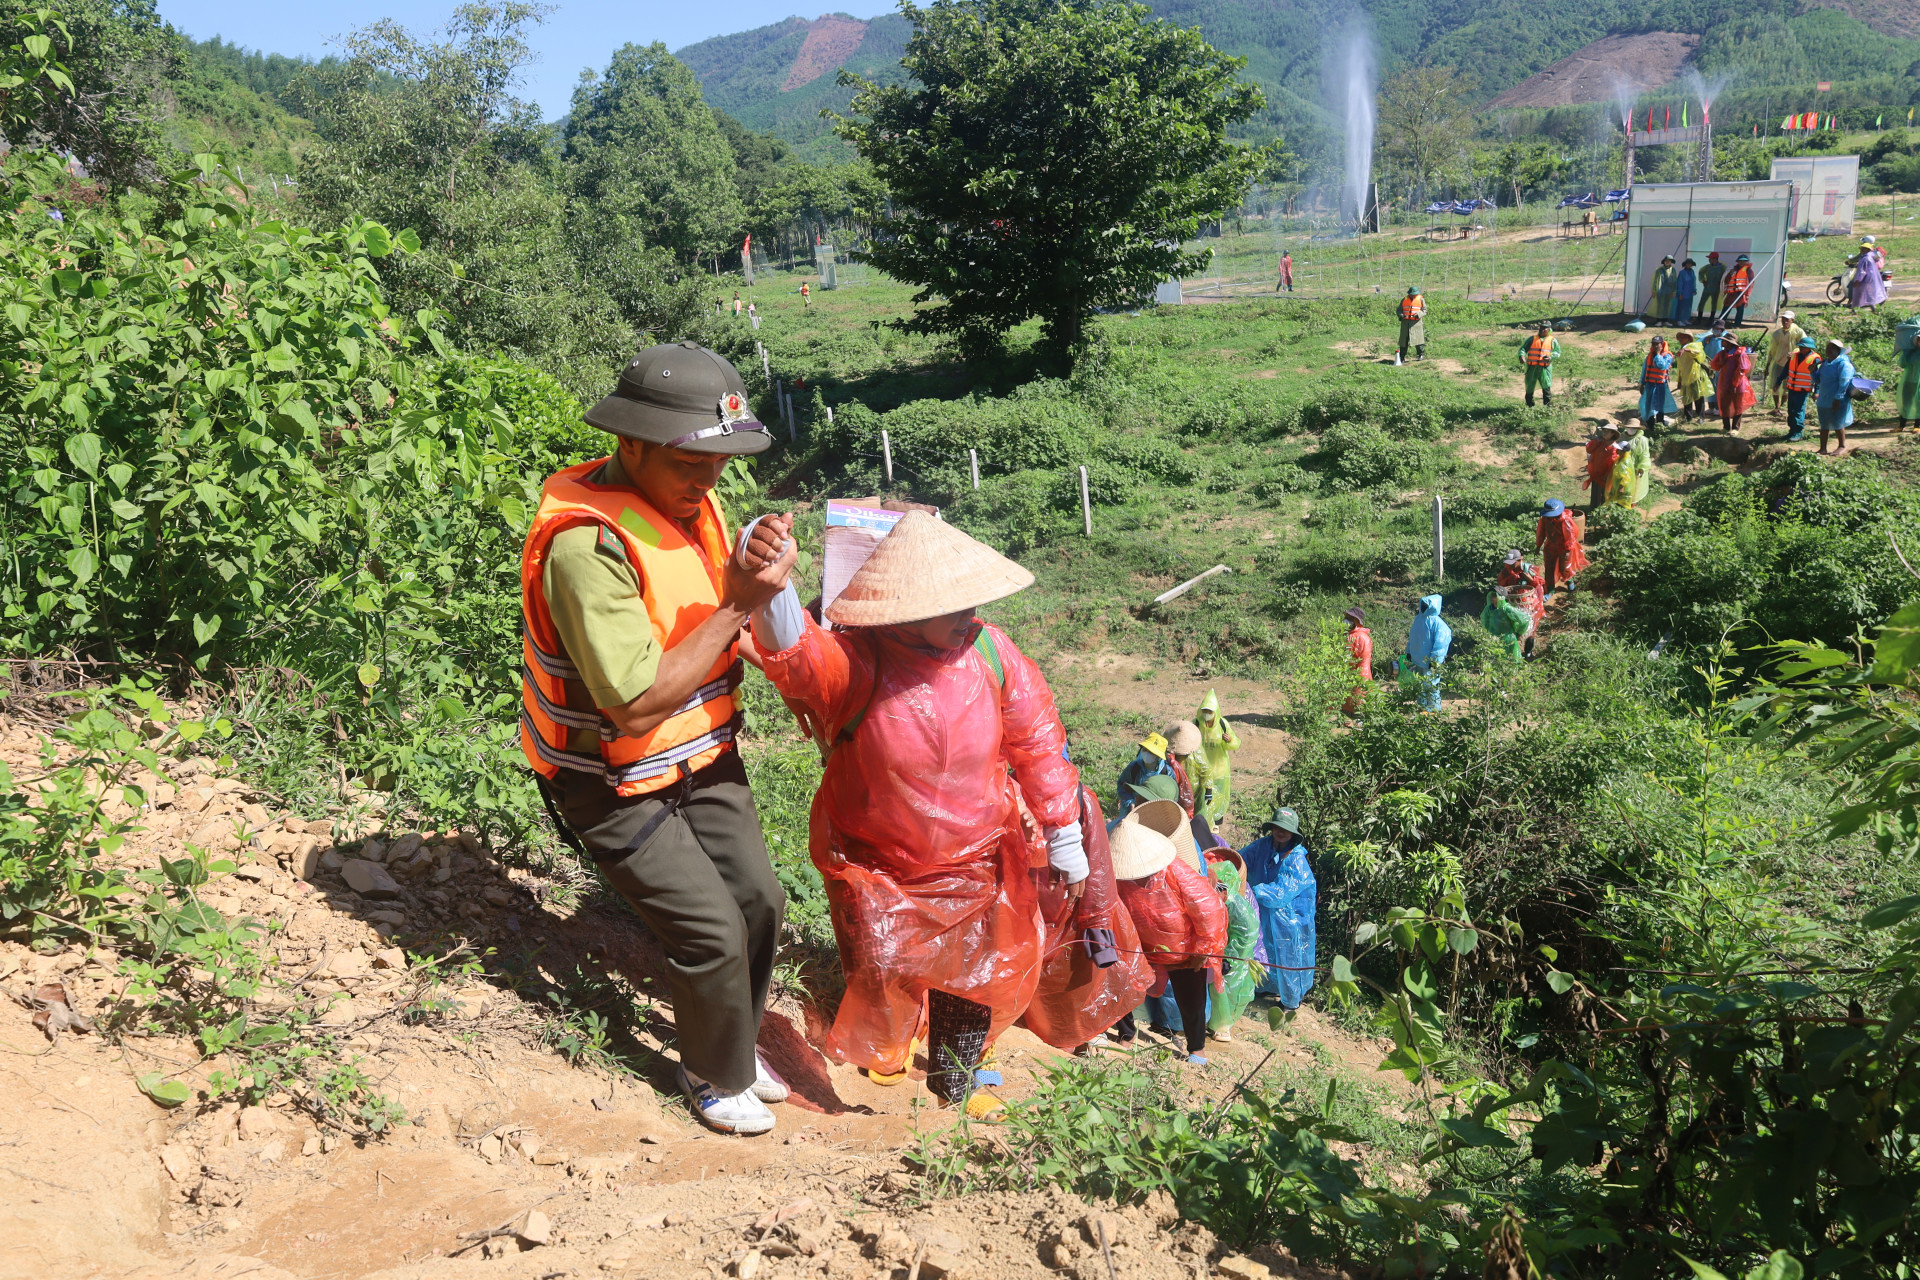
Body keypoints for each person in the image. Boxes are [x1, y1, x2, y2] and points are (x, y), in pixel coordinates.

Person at [519, 341, 792, 1136]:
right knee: (708, 928)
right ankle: (711, 1073)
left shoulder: (688, 502)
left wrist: (758, 582)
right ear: (629, 443)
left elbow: (703, 614)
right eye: (689, 462)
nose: (708, 480)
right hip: (608, 775)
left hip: (699, 753)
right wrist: (739, 604)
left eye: (719, 463)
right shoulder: (586, 547)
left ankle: (732, 1045)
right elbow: (633, 703)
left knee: (760, 902)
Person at [754, 510, 1085, 1119]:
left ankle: (958, 1079)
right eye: (951, 607)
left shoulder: (991, 650)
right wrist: (771, 585)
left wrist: (1064, 831)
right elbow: (798, 658)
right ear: (904, 610)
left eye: (970, 604)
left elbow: (1037, 741)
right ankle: (891, 1042)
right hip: (879, 855)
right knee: (885, 959)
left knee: (972, 970)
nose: (968, 616)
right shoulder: (856, 663)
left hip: (977, 850)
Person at [1020, 780, 1155, 1059]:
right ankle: (1037, 1039)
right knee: (1033, 984)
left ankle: (1075, 1041)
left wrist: (1097, 919)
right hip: (1027, 909)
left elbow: (1098, 861)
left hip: (1072, 909)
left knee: (1072, 985)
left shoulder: (1081, 799)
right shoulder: (1009, 788)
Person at [1110, 820, 1227, 1066]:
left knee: (1191, 997)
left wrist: (1203, 950)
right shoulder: (1120, 877)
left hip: (1185, 949)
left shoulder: (1175, 871)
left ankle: (1197, 1049)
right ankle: (1127, 1035)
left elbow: (1208, 909)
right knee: (1124, 984)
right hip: (1142, 947)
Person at [1239, 807, 1315, 1009]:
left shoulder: (1296, 859)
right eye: (1277, 827)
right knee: (1265, 949)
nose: (1281, 832)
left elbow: (1280, 894)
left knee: (1288, 957)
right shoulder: (1263, 846)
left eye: (1286, 829)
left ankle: (1291, 1000)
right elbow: (1240, 860)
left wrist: (1252, 890)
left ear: (1293, 833)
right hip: (1265, 913)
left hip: (1290, 920)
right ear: (1272, 827)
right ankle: (1267, 986)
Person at [1205, 852, 1261, 1042]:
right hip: (1222, 946)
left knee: (1226, 983)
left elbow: (1248, 932)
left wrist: (1227, 958)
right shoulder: (1219, 899)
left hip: (1233, 951)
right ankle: (1211, 1021)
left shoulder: (1236, 905)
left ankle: (1221, 1025)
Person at [1194, 691, 1239, 824]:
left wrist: (1229, 740)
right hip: (1200, 770)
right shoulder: (1196, 723)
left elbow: (1235, 743)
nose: (1206, 714)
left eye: (1210, 711)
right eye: (1204, 711)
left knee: (1218, 797)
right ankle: (1203, 823)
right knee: (1201, 797)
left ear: (1215, 712)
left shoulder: (1222, 724)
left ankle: (1216, 822)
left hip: (1218, 770)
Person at [1403, 595, 1451, 712]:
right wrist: (1409, 652)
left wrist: (1435, 661)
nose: (1423, 607)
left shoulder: (1439, 625)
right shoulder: (1419, 619)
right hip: (1417, 658)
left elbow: (1441, 645)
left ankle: (1433, 709)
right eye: (1422, 605)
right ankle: (1422, 706)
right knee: (1420, 684)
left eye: (1426, 605)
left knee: (1431, 685)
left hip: (1429, 661)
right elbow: (1413, 637)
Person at [1535, 499, 1589, 594]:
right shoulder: (1544, 519)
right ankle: (1550, 590)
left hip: (1564, 547)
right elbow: (1541, 532)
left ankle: (1570, 582)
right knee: (1549, 568)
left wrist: (1567, 551)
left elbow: (1570, 538)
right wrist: (1538, 545)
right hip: (1550, 546)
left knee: (1564, 568)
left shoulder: (1565, 520)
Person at [1496, 550, 1544, 655]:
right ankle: (1513, 652)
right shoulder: (1505, 573)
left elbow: (1539, 586)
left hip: (1529, 603)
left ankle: (1528, 652)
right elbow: (1499, 588)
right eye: (1509, 562)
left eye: (1513, 562)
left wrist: (1530, 579)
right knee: (1513, 628)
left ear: (1520, 560)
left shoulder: (1530, 569)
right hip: (1513, 604)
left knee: (1531, 627)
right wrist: (1504, 591)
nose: (1510, 565)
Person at [1814, 338, 1856, 455]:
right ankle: (1823, 448)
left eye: (1832, 348)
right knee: (1824, 424)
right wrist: (1812, 372)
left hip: (1838, 399)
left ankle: (1841, 446)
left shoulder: (1843, 364)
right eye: (1828, 348)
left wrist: (1838, 398)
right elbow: (1818, 380)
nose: (1829, 350)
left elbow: (1844, 382)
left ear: (1838, 351)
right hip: (1824, 398)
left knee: (1838, 423)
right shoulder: (1825, 364)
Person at [1115, 733, 1172, 817]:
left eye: (1151, 752)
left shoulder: (1166, 772)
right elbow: (1121, 785)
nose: (1147, 753)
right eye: (1145, 749)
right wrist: (1130, 802)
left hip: (1155, 813)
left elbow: (1171, 795)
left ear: (1158, 756)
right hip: (1131, 811)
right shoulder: (1134, 767)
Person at [1710, 336, 1757, 435]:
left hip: (1739, 384)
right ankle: (1726, 427)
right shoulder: (1722, 353)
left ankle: (1735, 428)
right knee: (1724, 405)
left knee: (1737, 405)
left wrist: (1735, 383)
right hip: (1724, 382)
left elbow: (1742, 369)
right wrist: (1720, 362)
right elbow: (1714, 365)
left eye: (1724, 341)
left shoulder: (1740, 354)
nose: (1722, 342)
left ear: (1729, 343)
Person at [1765, 311, 1807, 414]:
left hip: (1791, 363)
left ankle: (1782, 406)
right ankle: (1776, 407)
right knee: (1775, 384)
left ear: (1792, 320)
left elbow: (1805, 345)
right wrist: (1768, 365)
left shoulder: (1798, 332)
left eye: (1787, 320)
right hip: (1778, 362)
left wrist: (1795, 352)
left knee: (1787, 387)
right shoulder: (1777, 333)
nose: (1784, 321)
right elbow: (1772, 350)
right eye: (1783, 319)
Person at [1782, 334, 1821, 443]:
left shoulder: (1815, 359)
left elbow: (1818, 377)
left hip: (1803, 390)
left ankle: (1798, 432)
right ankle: (1791, 431)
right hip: (1792, 388)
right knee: (1791, 410)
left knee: (1799, 411)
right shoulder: (1794, 356)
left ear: (1809, 348)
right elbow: (1786, 369)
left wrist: (1817, 391)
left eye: (1803, 347)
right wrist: (1778, 381)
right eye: (1800, 346)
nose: (1801, 348)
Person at [1480, 586, 1532, 662]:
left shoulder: (1507, 609)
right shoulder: (1489, 609)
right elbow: (1484, 621)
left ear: (1501, 597)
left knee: (1512, 661)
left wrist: (1519, 633)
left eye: (1495, 595)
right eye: (1491, 594)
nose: (1492, 596)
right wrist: (1488, 634)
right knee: (1496, 662)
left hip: (1508, 640)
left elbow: (1524, 620)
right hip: (1494, 640)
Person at [1608, 420, 1652, 509]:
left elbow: (1645, 455)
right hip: (1622, 467)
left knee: (1634, 489)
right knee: (1621, 486)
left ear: (1637, 429)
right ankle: (1619, 504)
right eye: (1629, 427)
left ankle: (1630, 506)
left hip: (1635, 469)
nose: (1630, 429)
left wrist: (1641, 468)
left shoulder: (1642, 440)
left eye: (1633, 428)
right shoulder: (1622, 437)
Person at [1163, 720, 1202, 815]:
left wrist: (1208, 788)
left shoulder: (1196, 755)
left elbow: (1205, 771)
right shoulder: (1169, 759)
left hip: (1192, 788)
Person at [1582, 423, 1621, 515]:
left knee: (1604, 494)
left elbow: (1613, 464)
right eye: (1603, 431)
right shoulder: (1600, 442)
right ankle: (1593, 510)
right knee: (1595, 492)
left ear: (1613, 433)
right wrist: (1596, 441)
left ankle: (1603, 513)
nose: (1604, 433)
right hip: (1596, 474)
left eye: (1607, 431)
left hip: (1606, 476)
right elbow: (1589, 450)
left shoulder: (1615, 447)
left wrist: (1607, 475)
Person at [1639, 335, 1678, 426]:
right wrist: (1642, 383)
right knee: (1648, 404)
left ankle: (1660, 423)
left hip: (1660, 385)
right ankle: (1650, 424)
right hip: (1649, 384)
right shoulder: (1649, 355)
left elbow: (1662, 366)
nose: (1656, 346)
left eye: (1657, 344)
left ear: (1662, 344)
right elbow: (1645, 370)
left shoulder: (1667, 355)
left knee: (1659, 405)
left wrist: (1658, 355)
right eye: (1654, 344)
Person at [1673, 330, 1711, 423]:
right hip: (1685, 377)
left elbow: (1698, 353)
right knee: (1686, 398)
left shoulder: (1694, 345)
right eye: (1680, 337)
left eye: (1683, 337)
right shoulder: (1681, 349)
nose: (1681, 339)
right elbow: (1680, 367)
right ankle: (1688, 417)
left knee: (1698, 397)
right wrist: (1679, 380)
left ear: (1689, 338)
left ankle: (1701, 417)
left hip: (1695, 376)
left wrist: (1687, 350)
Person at [1519, 321, 1558, 408]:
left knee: (1546, 386)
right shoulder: (1532, 339)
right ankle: (1529, 405)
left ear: (1549, 329)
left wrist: (1550, 357)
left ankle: (1547, 406)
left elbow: (1557, 352)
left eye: (1545, 328)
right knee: (1529, 386)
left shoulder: (1552, 340)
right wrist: (1521, 356)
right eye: (1541, 328)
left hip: (1544, 368)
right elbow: (1523, 349)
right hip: (1532, 367)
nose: (1542, 330)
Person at [1342, 606, 1372, 717]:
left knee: (1356, 701)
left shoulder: (1356, 637)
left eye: (1349, 618)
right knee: (1357, 700)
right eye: (1346, 617)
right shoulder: (1360, 636)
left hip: (1357, 673)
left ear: (1355, 621)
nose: (1345, 620)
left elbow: (1349, 658)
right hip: (1359, 673)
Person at [1848, 237, 1888, 312]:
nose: (1862, 250)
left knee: (1859, 294)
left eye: (1863, 249)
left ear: (1867, 250)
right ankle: (1872, 310)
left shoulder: (1865, 259)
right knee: (1868, 294)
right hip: (1871, 278)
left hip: (1865, 279)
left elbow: (1862, 271)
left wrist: (1857, 281)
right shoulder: (1871, 256)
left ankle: (1855, 310)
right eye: (1861, 249)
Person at [1898, 313, 1920, 434]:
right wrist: (1905, 353)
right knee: (1905, 402)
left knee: (1919, 404)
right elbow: (1902, 365)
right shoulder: (1911, 353)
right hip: (1909, 381)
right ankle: (1901, 425)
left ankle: (1917, 426)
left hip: (1919, 383)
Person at [1723, 255, 1755, 327]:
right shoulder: (1733, 270)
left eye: (1744, 261)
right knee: (1726, 307)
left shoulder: (1749, 271)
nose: (1742, 262)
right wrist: (1730, 275)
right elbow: (1727, 281)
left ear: (1746, 262)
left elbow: (1751, 283)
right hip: (1732, 293)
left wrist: (1747, 295)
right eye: (1740, 261)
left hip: (1742, 293)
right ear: (1738, 262)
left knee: (1740, 309)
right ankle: (1721, 322)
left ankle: (1737, 324)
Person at [1398, 287, 1427, 364]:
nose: (1413, 296)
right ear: (1409, 294)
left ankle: (1421, 354)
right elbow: (1399, 310)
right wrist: (1401, 315)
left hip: (1416, 323)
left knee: (1418, 339)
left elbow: (1424, 310)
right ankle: (1402, 357)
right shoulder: (1404, 299)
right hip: (1405, 323)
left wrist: (1418, 314)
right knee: (1403, 340)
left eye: (1415, 294)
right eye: (1412, 294)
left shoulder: (1421, 299)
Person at [1696, 251, 1725, 322]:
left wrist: (1721, 283)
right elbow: (1701, 272)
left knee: (1714, 304)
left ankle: (1711, 320)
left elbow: (1726, 276)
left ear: (1715, 259)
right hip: (1707, 288)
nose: (1709, 260)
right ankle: (1699, 319)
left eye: (1710, 258)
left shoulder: (1722, 267)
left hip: (1716, 289)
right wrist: (1703, 280)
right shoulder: (1707, 267)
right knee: (1701, 303)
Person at [1649, 255, 1677, 325]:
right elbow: (1655, 281)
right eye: (1666, 261)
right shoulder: (1659, 270)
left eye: (1669, 261)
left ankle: (1665, 320)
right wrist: (1654, 291)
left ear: (1671, 262)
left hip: (1669, 291)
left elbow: (1674, 281)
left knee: (1667, 306)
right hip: (1660, 291)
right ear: (1664, 262)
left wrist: (1674, 291)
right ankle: (1659, 320)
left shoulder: (1673, 270)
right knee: (1660, 306)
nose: (1668, 262)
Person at [1673, 258, 1698, 327]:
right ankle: (1679, 320)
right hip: (1683, 293)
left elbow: (1694, 281)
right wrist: (1680, 293)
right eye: (1688, 263)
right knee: (1681, 307)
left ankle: (1685, 319)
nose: (1689, 265)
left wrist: (1694, 289)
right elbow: (1679, 283)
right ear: (1685, 264)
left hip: (1690, 293)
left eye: (1690, 264)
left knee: (1688, 307)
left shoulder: (1692, 272)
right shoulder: (1682, 273)